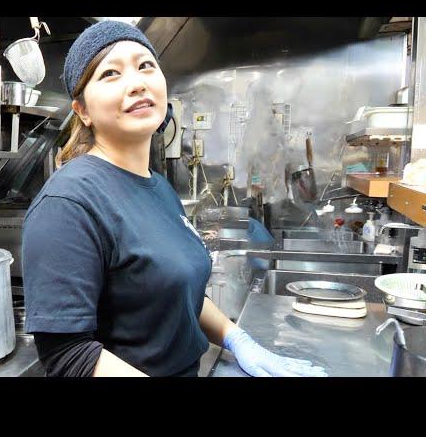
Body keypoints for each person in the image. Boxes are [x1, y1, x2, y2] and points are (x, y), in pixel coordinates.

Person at [21, 20, 327, 377]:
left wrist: (237, 338)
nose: (137, 83)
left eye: (145, 65)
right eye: (110, 74)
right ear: (83, 110)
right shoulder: (68, 202)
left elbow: (180, 293)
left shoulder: (159, 188)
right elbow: (68, 355)